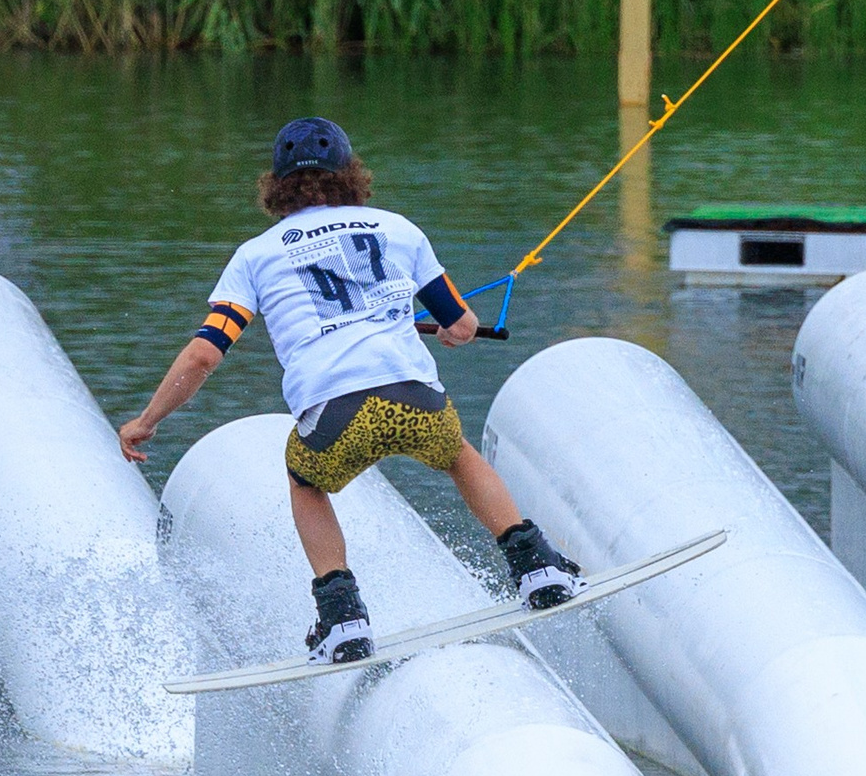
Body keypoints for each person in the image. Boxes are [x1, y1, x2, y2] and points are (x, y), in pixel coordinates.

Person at [118, 116, 582, 663]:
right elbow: (459, 324)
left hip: (337, 415)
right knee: (456, 454)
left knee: (305, 481)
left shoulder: (257, 255)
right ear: (351, 175)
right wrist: (448, 331)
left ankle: (342, 617)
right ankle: (536, 566)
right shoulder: (398, 229)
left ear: (277, 185)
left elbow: (202, 355)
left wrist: (146, 421)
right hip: (417, 401)